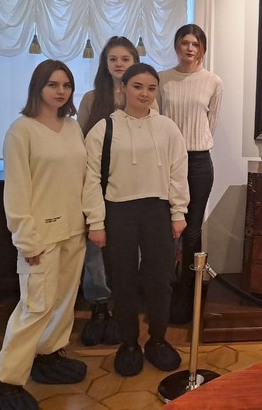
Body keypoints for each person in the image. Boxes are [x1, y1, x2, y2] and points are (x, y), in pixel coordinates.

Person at [0, 60, 100, 410]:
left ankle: (48, 355)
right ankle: (8, 383)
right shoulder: (20, 131)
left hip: (73, 230)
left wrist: (91, 220)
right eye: (53, 84)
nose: (60, 91)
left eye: (66, 85)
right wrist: (26, 240)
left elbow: (84, 178)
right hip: (40, 236)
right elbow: (16, 191)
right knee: (35, 307)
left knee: (63, 302)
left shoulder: (72, 127)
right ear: (38, 87)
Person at [82, 64, 189, 377]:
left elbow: (178, 171)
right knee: (122, 280)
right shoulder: (104, 128)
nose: (145, 94)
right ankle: (128, 343)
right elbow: (91, 178)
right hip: (118, 211)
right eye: (138, 87)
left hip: (157, 210)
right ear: (123, 88)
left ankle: (157, 339)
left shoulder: (167, 128)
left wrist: (178, 212)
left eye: (151, 88)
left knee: (160, 280)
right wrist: (96, 222)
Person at [75, 36, 140, 346]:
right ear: (105, 63)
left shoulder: (142, 96)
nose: (119, 64)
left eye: (125, 59)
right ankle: (99, 307)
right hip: (96, 183)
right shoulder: (91, 99)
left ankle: (121, 306)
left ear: (134, 62)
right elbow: (79, 143)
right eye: (113, 59)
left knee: (128, 247)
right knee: (95, 247)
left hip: (132, 184)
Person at [158, 24, 223, 324]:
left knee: (192, 230)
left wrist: (192, 145)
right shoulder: (162, 80)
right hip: (167, 161)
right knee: (166, 228)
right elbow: (157, 121)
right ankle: (163, 292)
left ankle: (187, 296)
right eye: (185, 42)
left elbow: (211, 125)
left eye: (196, 44)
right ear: (176, 45)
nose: (190, 48)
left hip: (198, 162)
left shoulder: (213, 82)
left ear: (203, 49)